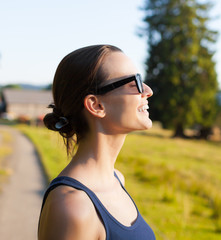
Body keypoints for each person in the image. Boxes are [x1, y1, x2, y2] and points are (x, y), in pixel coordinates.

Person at [38, 45, 156, 240]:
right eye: (134, 82)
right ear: (96, 105)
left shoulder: (117, 179)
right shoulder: (73, 206)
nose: (148, 91)